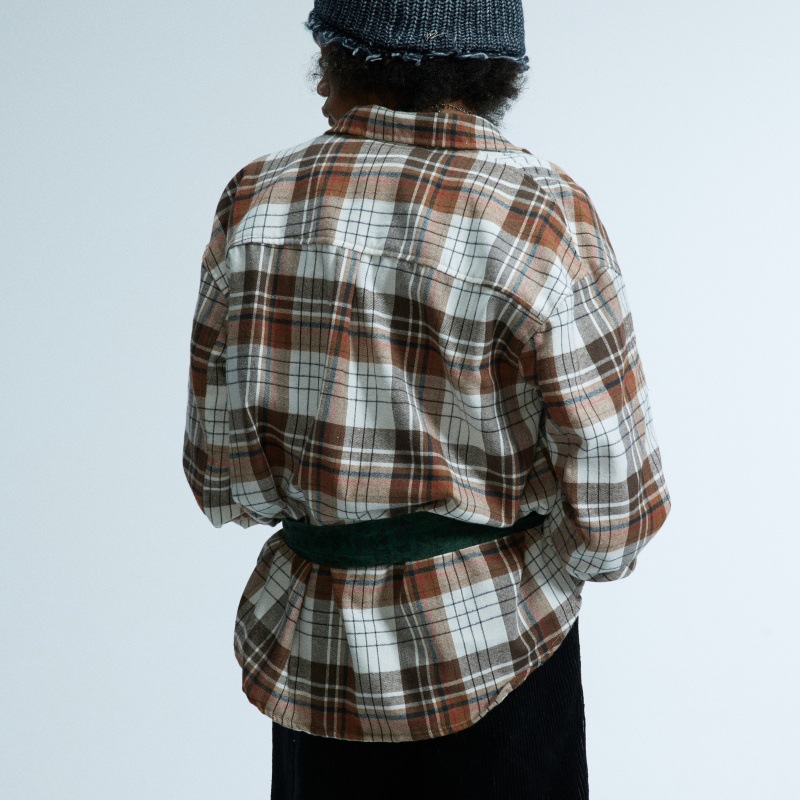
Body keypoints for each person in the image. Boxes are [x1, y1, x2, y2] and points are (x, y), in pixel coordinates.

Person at [182, 1, 672, 797]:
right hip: (500, 651)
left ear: (350, 58)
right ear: (491, 72)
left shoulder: (255, 200)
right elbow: (618, 510)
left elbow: (220, 478)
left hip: (316, 657)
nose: (317, 85)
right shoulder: (540, 213)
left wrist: (339, 520)